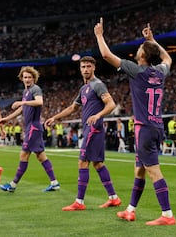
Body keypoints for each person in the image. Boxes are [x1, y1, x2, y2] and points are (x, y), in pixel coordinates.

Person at [94, 18, 176, 225]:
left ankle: (167, 215)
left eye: (141, 47)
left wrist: (99, 35)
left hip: (144, 128)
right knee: (139, 170)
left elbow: (105, 55)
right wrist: (152, 39)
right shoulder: (159, 72)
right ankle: (130, 209)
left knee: (153, 171)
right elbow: (168, 59)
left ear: (142, 55)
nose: (138, 48)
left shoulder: (136, 70)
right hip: (156, 125)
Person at [45, 56, 121, 211]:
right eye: (83, 67)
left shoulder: (97, 85)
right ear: (80, 69)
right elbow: (72, 108)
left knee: (82, 162)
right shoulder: (83, 88)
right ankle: (114, 198)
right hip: (90, 130)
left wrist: (98, 115)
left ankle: (79, 202)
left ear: (94, 68)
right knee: (98, 163)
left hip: (94, 129)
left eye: (88, 66)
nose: (85, 69)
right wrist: (55, 117)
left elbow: (111, 104)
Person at [0, 66, 60, 193]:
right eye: (25, 77)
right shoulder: (26, 92)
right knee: (41, 156)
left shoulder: (35, 89)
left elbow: (39, 102)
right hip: (32, 128)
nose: (27, 79)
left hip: (33, 127)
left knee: (24, 154)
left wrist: (22, 102)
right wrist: (7, 118)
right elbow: (22, 110)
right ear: (22, 78)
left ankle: (13, 185)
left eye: (29, 77)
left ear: (34, 78)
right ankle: (54, 183)